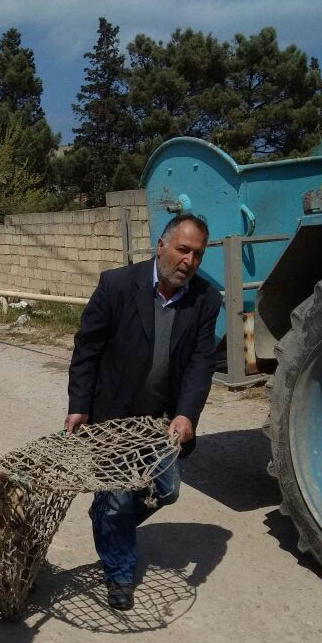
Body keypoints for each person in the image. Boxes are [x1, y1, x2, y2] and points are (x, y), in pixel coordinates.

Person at [65, 213, 221, 611]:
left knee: (166, 490)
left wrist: (186, 414)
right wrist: (80, 406)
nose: (189, 261)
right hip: (112, 416)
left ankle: (106, 517)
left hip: (159, 420)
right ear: (161, 247)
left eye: (198, 255)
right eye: (183, 250)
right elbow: (87, 350)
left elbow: (201, 363)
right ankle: (119, 571)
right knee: (118, 498)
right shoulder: (117, 285)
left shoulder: (206, 299)